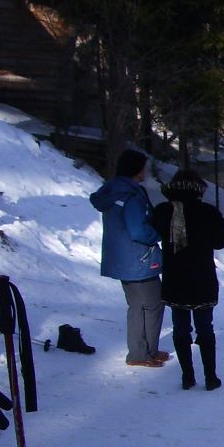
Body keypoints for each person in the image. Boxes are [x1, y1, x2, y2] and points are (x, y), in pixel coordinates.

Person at [151, 169, 224, 390]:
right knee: (205, 328)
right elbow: (221, 240)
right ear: (198, 190)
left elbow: (151, 231)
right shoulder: (207, 212)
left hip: (175, 279)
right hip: (202, 278)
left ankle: (187, 376)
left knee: (180, 328)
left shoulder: (163, 211)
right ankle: (211, 377)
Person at [89, 149, 167, 367]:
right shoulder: (131, 195)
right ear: (137, 169)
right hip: (138, 258)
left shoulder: (113, 190)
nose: (145, 172)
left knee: (137, 304)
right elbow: (138, 230)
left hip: (123, 257)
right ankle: (141, 353)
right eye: (143, 167)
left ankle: (144, 351)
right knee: (152, 304)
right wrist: (157, 234)